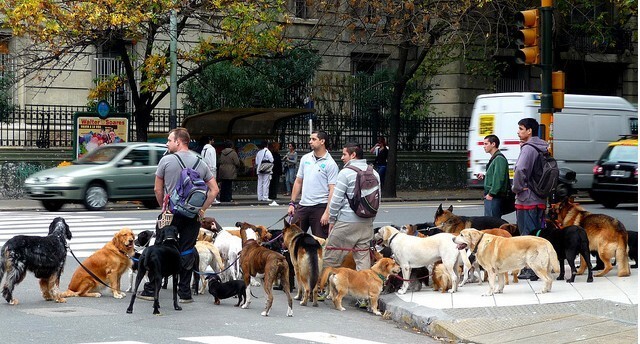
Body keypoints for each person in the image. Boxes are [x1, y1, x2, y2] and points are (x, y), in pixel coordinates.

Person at [139, 127, 219, 303]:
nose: (167, 143)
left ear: (178, 141)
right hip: (192, 215)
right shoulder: (201, 161)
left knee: (160, 249)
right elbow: (214, 190)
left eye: (169, 140)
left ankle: (152, 289)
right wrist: (202, 210)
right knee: (187, 249)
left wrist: (164, 207)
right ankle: (184, 293)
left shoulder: (166, 161)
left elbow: (157, 189)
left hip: (171, 213)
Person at [324, 142, 380, 271]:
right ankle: (363, 289)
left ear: (353, 155)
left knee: (331, 257)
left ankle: (325, 288)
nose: (342, 158)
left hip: (346, 222)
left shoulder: (345, 173)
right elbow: (378, 200)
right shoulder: (375, 173)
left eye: (344, 154)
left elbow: (336, 200)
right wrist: (370, 219)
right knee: (363, 259)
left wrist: (332, 220)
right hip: (366, 223)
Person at [513, 118, 548, 280]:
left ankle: (532, 269)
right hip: (539, 198)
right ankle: (538, 267)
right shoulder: (541, 147)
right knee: (537, 234)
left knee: (527, 236)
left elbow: (520, 169)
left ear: (529, 131)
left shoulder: (528, 149)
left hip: (527, 199)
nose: (518, 132)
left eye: (521, 129)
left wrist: (517, 188)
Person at [287, 131, 339, 239]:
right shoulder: (305, 158)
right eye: (310, 139)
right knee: (292, 237)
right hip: (303, 205)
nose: (310, 141)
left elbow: (332, 190)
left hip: (320, 206)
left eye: (313, 139)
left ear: (322, 141)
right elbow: (298, 181)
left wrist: (327, 212)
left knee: (320, 241)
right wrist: (292, 203)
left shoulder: (331, 164)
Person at [476, 134, 509, 218]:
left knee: (492, 222)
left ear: (493, 144)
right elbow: (495, 175)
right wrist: (484, 177)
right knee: (490, 221)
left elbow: (499, 178)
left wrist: (491, 194)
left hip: (494, 196)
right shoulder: (495, 158)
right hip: (493, 196)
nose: (484, 146)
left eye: (486, 144)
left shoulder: (499, 159)